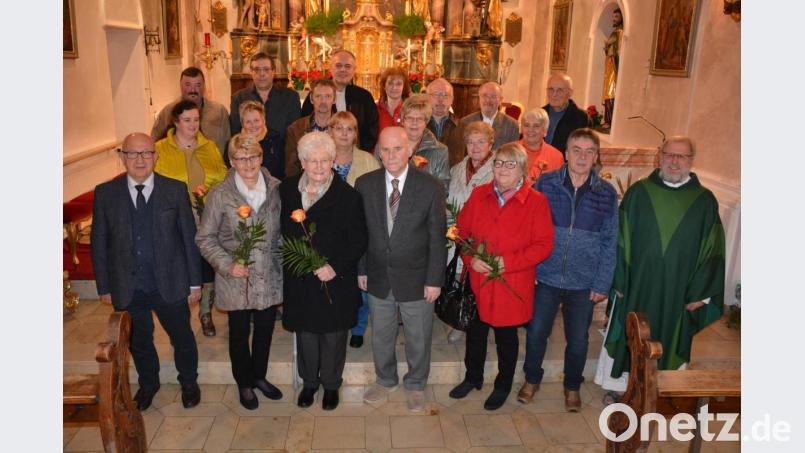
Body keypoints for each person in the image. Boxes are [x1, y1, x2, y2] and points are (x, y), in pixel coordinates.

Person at [595, 136, 725, 404]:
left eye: (682, 156)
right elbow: (620, 240)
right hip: (637, 285)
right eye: (670, 155)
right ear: (659, 156)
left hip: (679, 290)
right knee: (631, 333)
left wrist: (701, 294)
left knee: (671, 335)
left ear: (691, 161)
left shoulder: (704, 201)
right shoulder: (638, 193)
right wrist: (618, 279)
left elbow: (713, 249)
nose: (675, 161)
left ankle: (662, 389)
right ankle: (620, 386)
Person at [90, 132, 202, 411]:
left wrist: (195, 283)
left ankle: (189, 381)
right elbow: (99, 242)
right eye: (133, 153)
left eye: (146, 153)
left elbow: (188, 239)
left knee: (183, 337)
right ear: (122, 157)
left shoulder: (175, 190)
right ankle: (149, 383)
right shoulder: (105, 194)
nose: (140, 159)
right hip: (128, 286)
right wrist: (104, 286)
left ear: (156, 156)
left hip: (171, 282)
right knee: (139, 341)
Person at [518, 128, 618, 412]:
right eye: (577, 149)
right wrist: (530, 268)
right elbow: (528, 227)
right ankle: (531, 379)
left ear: (596, 157)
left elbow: (611, 241)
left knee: (578, 339)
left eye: (589, 151)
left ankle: (572, 386)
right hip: (546, 274)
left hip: (583, 281)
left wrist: (602, 282)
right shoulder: (546, 184)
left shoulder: (606, 193)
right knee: (537, 332)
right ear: (565, 153)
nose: (582, 156)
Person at [449, 143, 554, 411]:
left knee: (507, 339)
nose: (503, 169)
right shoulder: (480, 194)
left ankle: (503, 384)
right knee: (475, 334)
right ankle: (473, 377)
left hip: (512, 284)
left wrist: (506, 263)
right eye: (498, 163)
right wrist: (471, 260)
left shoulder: (537, 202)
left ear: (522, 170)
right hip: (480, 282)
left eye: (510, 164)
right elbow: (462, 233)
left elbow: (543, 246)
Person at [356, 127, 447, 413]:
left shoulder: (430, 186)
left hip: (418, 277)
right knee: (381, 334)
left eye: (398, 148)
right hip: (378, 274)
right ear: (378, 152)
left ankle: (417, 382)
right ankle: (385, 379)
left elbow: (437, 237)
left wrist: (435, 280)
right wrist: (362, 269)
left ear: (410, 150)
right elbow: (361, 235)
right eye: (385, 149)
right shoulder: (365, 184)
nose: (391, 155)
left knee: (418, 334)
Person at [279, 131, 368, 411]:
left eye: (325, 160)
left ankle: (331, 384)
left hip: (334, 279)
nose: (318, 167)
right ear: (302, 162)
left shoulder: (348, 196)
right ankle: (309, 383)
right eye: (312, 161)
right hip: (301, 279)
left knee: (332, 335)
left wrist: (334, 267)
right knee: (305, 332)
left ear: (333, 161)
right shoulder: (286, 190)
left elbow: (359, 240)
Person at [195, 134, 284, 410]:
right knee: (239, 332)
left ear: (261, 157)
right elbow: (205, 238)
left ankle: (259, 375)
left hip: (267, 274)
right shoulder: (220, 195)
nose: (248, 163)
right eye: (241, 158)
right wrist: (228, 264)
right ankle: (244, 382)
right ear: (231, 161)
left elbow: (281, 232)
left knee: (266, 329)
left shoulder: (276, 188)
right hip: (236, 277)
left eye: (254, 156)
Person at [155, 100, 228, 337]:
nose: (193, 124)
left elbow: (222, 178)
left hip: (206, 217)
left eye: (196, 119)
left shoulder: (210, 147)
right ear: (175, 122)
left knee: (207, 267)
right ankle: (181, 319)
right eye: (187, 120)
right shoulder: (159, 149)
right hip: (173, 219)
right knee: (181, 267)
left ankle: (205, 313)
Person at [327, 111, 382, 348]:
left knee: (362, 283)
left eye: (349, 129)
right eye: (338, 128)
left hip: (361, 232)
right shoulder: (322, 159)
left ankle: (358, 328)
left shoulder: (368, 161)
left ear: (356, 134)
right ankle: (337, 322)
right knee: (336, 281)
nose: (344, 133)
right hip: (329, 234)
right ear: (330, 131)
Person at [444, 120, 496, 344]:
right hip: (456, 235)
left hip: (482, 238)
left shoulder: (497, 170)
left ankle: (477, 323)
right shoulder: (456, 169)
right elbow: (447, 202)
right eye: (470, 142)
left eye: (480, 142)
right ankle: (461, 320)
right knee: (458, 281)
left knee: (478, 284)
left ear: (490, 144)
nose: (475, 147)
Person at [301, 50, 379, 151]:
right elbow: (305, 125)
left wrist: (357, 153)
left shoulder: (364, 97)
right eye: (338, 66)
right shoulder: (317, 94)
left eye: (347, 66)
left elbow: (372, 130)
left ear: (354, 69)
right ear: (331, 68)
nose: (343, 70)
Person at [230, 52, 301, 153]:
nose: (262, 74)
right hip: (250, 156)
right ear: (251, 72)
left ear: (273, 71)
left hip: (281, 157)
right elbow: (236, 133)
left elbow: (294, 133)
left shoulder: (290, 97)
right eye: (257, 70)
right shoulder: (239, 98)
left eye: (266, 69)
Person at [151, 66, 231, 155]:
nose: (193, 90)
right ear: (180, 86)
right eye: (188, 85)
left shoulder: (219, 111)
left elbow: (228, 143)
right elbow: (154, 141)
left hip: (211, 164)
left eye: (198, 85)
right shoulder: (168, 112)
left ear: (204, 86)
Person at [285, 79, 337, 177]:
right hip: (305, 185)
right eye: (318, 96)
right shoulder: (295, 128)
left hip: (337, 183)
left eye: (328, 96)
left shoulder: (343, 127)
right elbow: (291, 167)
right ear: (311, 99)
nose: (323, 101)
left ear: (334, 99)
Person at [401, 94, 450, 191]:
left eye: (419, 119)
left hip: (425, 204)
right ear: (402, 121)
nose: (414, 123)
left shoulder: (440, 151)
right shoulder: (388, 146)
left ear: (426, 122)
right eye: (410, 118)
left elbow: (443, 188)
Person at [455, 81, 519, 156]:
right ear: (479, 98)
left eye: (493, 96)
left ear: (500, 100)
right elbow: (460, 155)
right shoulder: (465, 122)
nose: (488, 100)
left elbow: (512, 156)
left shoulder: (511, 125)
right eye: (484, 96)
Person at [228, 100, 284, 179]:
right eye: (248, 122)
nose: (253, 125)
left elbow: (282, 171)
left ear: (264, 121)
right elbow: (229, 171)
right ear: (242, 124)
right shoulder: (233, 144)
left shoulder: (277, 141)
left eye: (256, 120)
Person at [543, 73, 591, 155]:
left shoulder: (581, 118)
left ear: (570, 93)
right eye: (551, 89)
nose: (554, 94)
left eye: (560, 90)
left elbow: (586, 148)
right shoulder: (539, 114)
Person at [515, 108, 565, 185]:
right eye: (526, 125)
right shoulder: (507, 150)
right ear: (521, 129)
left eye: (536, 126)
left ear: (545, 130)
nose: (530, 130)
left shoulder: (557, 157)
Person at [426, 78, 462, 166]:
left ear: (452, 99)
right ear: (427, 97)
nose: (441, 99)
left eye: (446, 95)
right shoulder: (418, 124)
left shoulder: (462, 126)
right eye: (436, 94)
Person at [602, 8, 623, 127]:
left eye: (616, 17)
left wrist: (609, 45)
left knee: (610, 92)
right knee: (607, 92)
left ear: (621, 18)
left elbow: (618, 50)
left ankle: (609, 121)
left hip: (614, 67)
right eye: (613, 17)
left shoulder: (619, 32)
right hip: (609, 66)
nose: (614, 19)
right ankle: (607, 120)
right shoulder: (614, 32)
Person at [376, 67, 411, 136]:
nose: (394, 87)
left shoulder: (411, 108)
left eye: (398, 84)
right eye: (390, 83)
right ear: (384, 86)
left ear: (404, 87)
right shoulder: (375, 109)